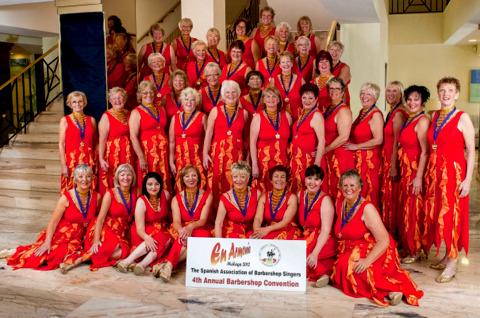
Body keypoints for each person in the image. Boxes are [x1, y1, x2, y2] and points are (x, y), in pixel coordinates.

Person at [331, 169, 423, 306]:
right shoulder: (340, 203)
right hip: (353, 246)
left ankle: (394, 289)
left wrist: (367, 261)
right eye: (345, 185)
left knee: (352, 267)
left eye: (352, 185)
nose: (348, 189)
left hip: (377, 247)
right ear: (340, 187)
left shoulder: (367, 208)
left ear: (360, 187)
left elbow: (384, 240)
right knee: (341, 265)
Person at [424, 77, 475, 283]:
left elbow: (471, 151)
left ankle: (453, 261)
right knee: (440, 216)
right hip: (436, 173)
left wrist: (468, 179)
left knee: (452, 216)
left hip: (454, 175)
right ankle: (446, 255)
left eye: (450, 90)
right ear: (438, 93)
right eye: (442, 90)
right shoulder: (435, 115)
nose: (446, 94)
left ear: (457, 94)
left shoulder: (463, 118)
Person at [2, 164, 100, 270]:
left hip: (78, 238)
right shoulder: (66, 198)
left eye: (88, 176)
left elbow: (98, 219)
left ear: (92, 178)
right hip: (61, 234)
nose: (84, 179)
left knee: (61, 255)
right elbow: (53, 222)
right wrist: (47, 242)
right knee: (43, 255)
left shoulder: (97, 197)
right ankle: (13, 252)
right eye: (80, 176)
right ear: (75, 179)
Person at [59, 164, 138, 273]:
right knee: (114, 247)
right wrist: (96, 240)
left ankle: (83, 258)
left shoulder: (137, 192)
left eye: (129, 175)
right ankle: (76, 261)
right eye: (122, 175)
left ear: (133, 177)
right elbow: (100, 219)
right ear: (117, 178)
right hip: (106, 227)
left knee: (123, 252)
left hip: (122, 232)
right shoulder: (110, 194)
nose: (126, 178)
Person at [155, 165, 213, 282]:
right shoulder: (176, 198)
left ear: (198, 178)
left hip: (199, 227)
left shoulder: (208, 196)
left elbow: (202, 221)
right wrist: (182, 231)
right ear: (182, 179)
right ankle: (168, 266)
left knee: (204, 236)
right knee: (183, 239)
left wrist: (190, 227)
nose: (190, 178)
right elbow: (176, 222)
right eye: (187, 176)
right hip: (181, 228)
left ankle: (168, 265)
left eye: (193, 175)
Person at [397, 85, 430, 264]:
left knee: (415, 210)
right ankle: (410, 246)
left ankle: (416, 249)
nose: (411, 102)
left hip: (415, 170)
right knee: (408, 209)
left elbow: (425, 151)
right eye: (409, 99)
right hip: (406, 169)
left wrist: (418, 177)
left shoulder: (422, 121)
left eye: (416, 99)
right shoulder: (410, 118)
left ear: (423, 102)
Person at [116, 172, 172, 275]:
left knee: (166, 237)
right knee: (162, 237)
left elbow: (169, 214)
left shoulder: (166, 195)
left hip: (160, 229)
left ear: (161, 184)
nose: (153, 187)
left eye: (156, 184)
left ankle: (141, 265)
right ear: (145, 186)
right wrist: (147, 238)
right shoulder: (141, 201)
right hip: (143, 232)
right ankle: (127, 261)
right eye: (150, 184)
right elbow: (139, 229)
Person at [203, 80, 249, 205]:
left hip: (236, 153)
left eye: (234, 92)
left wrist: (248, 158)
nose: (231, 94)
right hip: (218, 153)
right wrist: (205, 154)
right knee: (216, 181)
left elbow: (247, 138)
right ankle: (216, 212)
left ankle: (233, 210)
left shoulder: (244, 113)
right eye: (227, 92)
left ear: (238, 93)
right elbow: (208, 133)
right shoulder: (215, 111)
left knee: (235, 180)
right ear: (223, 94)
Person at [344, 83, 383, 210]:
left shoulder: (375, 114)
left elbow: (378, 140)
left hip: (370, 160)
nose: (364, 96)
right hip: (360, 159)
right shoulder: (363, 111)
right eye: (362, 93)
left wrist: (356, 146)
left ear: (375, 97)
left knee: (368, 191)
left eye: (369, 94)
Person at [297, 165, 337, 287]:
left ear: (321, 182)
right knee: (295, 249)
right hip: (307, 235)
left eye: (316, 179)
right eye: (309, 178)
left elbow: (326, 230)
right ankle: (323, 271)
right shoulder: (300, 195)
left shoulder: (325, 199)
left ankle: (324, 273)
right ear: (305, 180)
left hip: (324, 238)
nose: (312, 182)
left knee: (305, 253)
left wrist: (315, 253)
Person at [129, 81, 172, 193]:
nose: (148, 95)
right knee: (149, 178)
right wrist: (141, 157)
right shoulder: (136, 112)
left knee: (163, 178)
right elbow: (133, 137)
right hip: (147, 153)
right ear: (140, 94)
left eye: (151, 92)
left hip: (162, 152)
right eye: (145, 93)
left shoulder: (161, 108)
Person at [250, 87, 292, 192]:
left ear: (278, 100)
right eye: (267, 96)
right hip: (264, 162)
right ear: (263, 100)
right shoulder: (258, 118)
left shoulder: (286, 116)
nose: (271, 99)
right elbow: (252, 143)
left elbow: (291, 139)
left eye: (274, 96)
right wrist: (254, 165)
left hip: (282, 161)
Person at [381, 81, 407, 239]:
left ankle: (395, 235)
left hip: (393, 160)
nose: (390, 93)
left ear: (401, 94)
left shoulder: (398, 113)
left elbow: (398, 142)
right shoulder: (392, 111)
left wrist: (394, 166)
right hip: (388, 159)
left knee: (394, 199)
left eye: (395, 91)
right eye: (388, 90)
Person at [169, 88, 207, 192]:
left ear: (197, 102)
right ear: (182, 101)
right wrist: (171, 161)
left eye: (192, 100)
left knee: (199, 183)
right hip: (180, 158)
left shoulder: (203, 117)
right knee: (181, 185)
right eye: (186, 99)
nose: (189, 102)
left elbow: (208, 138)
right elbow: (172, 142)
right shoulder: (175, 117)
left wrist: (206, 156)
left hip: (197, 157)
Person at [59, 91, 97, 194]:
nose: (77, 104)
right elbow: (61, 144)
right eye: (74, 102)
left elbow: (95, 144)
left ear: (84, 103)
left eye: (80, 101)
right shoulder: (65, 120)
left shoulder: (91, 120)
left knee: (88, 188)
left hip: (88, 160)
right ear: (70, 104)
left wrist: (96, 163)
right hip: (72, 161)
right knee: (71, 189)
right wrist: (63, 165)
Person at [98, 87, 135, 196]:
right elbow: (102, 140)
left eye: (120, 97)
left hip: (128, 153)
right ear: (110, 101)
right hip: (113, 155)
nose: (117, 100)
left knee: (128, 178)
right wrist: (101, 159)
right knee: (115, 178)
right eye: (114, 98)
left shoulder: (130, 114)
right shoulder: (106, 116)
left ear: (125, 99)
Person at [289, 83, 325, 193]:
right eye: (304, 98)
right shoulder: (304, 112)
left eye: (310, 98)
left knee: (309, 190)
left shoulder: (316, 115)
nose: (307, 101)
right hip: (299, 159)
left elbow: (322, 140)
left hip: (310, 161)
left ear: (316, 99)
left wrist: (317, 164)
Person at [323, 78, 354, 201]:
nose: (334, 91)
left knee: (341, 189)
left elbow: (343, 137)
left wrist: (325, 149)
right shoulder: (329, 108)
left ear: (342, 92)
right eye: (331, 88)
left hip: (340, 155)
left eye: (337, 88)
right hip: (330, 153)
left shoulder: (343, 110)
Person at [251, 165, 300, 240]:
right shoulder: (264, 197)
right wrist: (257, 232)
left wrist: (266, 230)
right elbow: (258, 219)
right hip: (269, 230)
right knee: (251, 237)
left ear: (287, 181)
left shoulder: (292, 197)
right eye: (276, 176)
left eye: (283, 177)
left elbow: (285, 222)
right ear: (271, 181)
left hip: (286, 230)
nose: (279, 179)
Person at [215, 161, 261, 238]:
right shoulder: (225, 197)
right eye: (235, 177)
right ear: (232, 178)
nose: (238, 180)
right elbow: (218, 223)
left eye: (242, 177)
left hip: (251, 231)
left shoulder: (257, 194)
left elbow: (260, 218)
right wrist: (218, 242)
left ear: (248, 178)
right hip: (231, 233)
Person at [271, 51, 304, 120]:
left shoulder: (301, 80)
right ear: (279, 65)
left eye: (288, 61)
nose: (286, 64)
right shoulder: (274, 80)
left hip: (298, 118)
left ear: (292, 64)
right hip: (279, 119)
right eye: (283, 62)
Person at [328, 41, 351, 105]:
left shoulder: (345, 67)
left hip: (340, 98)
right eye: (332, 49)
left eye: (337, 50)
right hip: (327, 98)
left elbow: (339, 84)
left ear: (341, 52)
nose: (334, 52)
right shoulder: (324, 66)